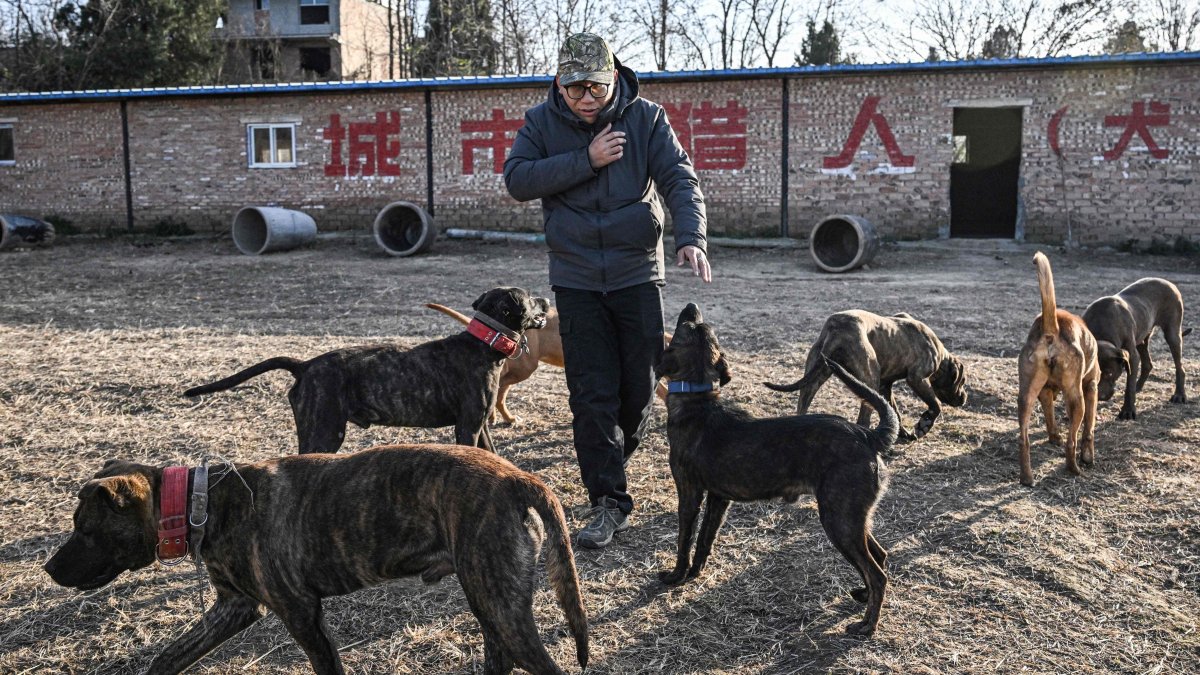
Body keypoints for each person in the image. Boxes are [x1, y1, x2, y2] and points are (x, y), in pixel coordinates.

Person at [503, 32, 711, 549]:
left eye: (596, 86)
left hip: (636, 273)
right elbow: (517, 179)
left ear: (613, 76)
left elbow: (680, 179)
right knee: (590, 395)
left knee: (638, 391)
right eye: (576, 89)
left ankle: (610, 462)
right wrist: (586, 159)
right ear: (559, 82)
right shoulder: (540, 123)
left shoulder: (645, 119)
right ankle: (608, 501)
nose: (587, 98)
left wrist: (691, 237)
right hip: (575, 279)